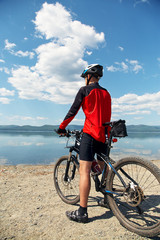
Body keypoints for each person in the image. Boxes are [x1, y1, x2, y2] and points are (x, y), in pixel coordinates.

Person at [57, 64, 111, 223]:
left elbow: (72, 111)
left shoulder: (84, 90)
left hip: (90, 133)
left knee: (85, 171)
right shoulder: (107, 93)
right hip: (104, 135)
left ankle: (82, 212)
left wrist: (61, 128)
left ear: (89, 76)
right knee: (102, 167)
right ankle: (109, 199)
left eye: (85, 77)